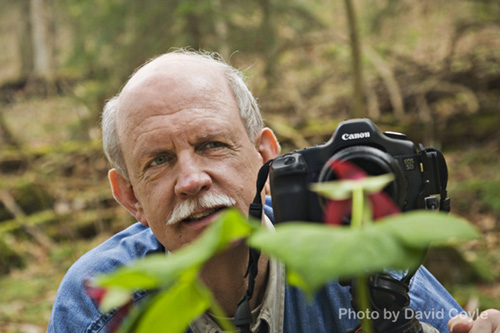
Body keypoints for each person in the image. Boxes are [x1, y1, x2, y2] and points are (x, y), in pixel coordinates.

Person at [48, 50, 500, 333]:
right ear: (129, 197)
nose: (191, 180)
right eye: (158, 161)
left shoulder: (360, 261)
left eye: (212, 145)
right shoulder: (99, 304)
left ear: (266, 156)